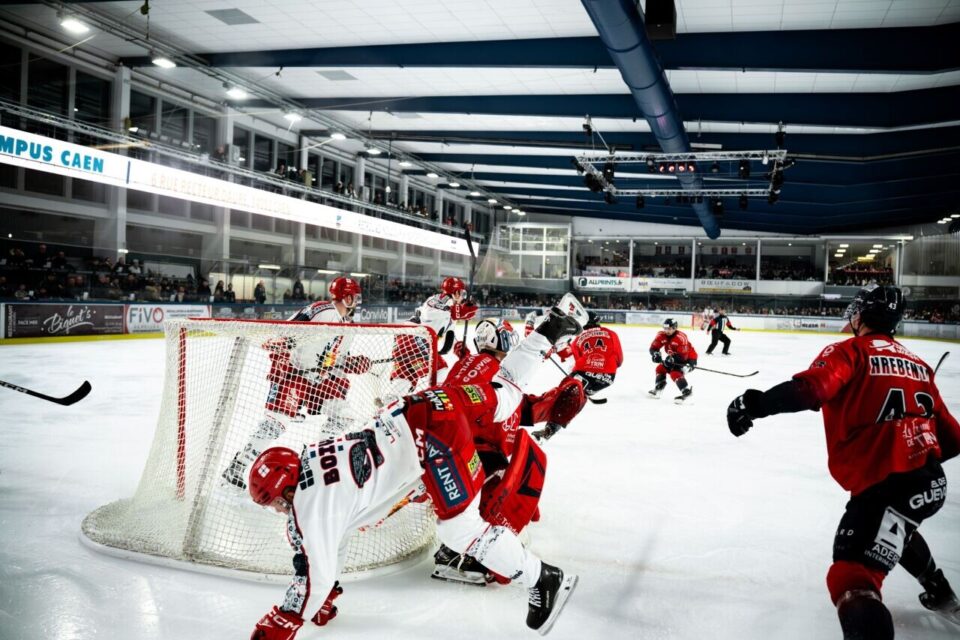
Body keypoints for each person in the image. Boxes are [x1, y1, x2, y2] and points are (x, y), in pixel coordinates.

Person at [247, 300, 586, 639]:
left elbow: (313, 576)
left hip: (432, 439)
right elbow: (335, 540)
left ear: (286, 490)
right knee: (505, 393)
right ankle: (550, 330)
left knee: (459, 531)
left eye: (276, 502)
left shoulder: (310, 507)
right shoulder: (314, 457)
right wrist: (326, 595)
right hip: (422, 406)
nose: (280, 510)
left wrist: (283, 622)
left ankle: (542, 577)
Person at [726, 285, 960, 639]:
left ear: (862, 315)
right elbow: (953, 441)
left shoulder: (851, 351)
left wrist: (753, 405)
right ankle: (940, 592)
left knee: (851, 574)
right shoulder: (919, 365)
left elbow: (811, 390)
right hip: (931, 484)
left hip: (889, 483)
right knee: (895, 526)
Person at [222, 277, 365, 490]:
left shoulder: (348, 327)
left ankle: (315, 459)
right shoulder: (323, 311)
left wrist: (351, 363)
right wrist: (283, 346)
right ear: (347, 297)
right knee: (276, 423)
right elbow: (289, 330)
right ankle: (238, 465)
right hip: (294, 372)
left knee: (344, 414)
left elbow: (335, 358)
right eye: (355, 296)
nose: (358, 301)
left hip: (318, 380)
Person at [534, 311, 623, 441]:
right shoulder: (612, 334)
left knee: (564, 396)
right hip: (608, 377)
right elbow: (619, 360)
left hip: (583, 372)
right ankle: (577, 401)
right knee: (580, 395)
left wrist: (552, 351)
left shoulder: (577, 340)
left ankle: (551, 428)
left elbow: (574, 361)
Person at [648, 318, 698, 403]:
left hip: (688, 359)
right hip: (675, 357)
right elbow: (653, 348)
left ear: (675, 328)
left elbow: (683, 357)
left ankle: (686, 392)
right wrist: (655, 354)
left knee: (675, 373)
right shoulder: (661, 335)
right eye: (665, 328)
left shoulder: (681, 337)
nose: (666, 331)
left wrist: (671, 359)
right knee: (660, 368)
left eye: (669, 329)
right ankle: (659, 387)